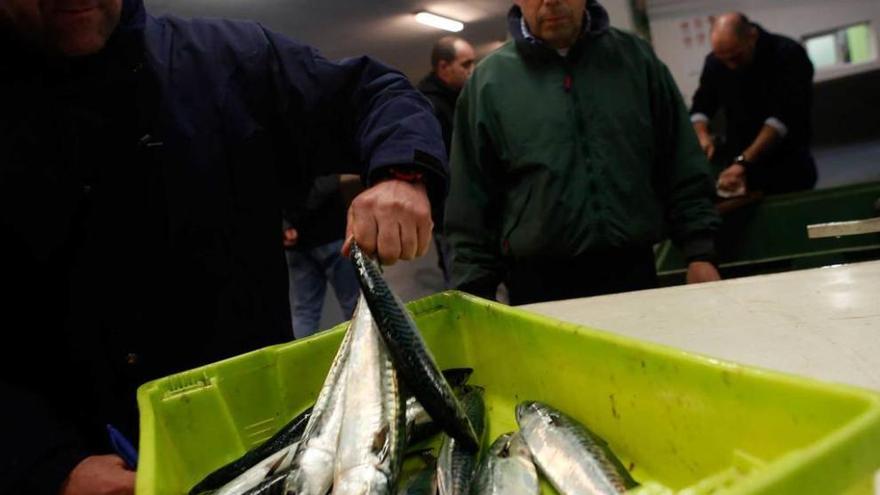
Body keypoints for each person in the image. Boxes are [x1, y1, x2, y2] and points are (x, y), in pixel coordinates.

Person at [0, 0, 446, 493]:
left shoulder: (226, 60)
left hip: (269, 442)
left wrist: (402, 174)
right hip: (81, 461)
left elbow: (372, 94)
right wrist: (47, 465)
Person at [445, 0, 721, 305]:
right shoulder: (489, 82)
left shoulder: (635, 60)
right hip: (538, 288)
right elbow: (470, 198)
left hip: (634, 275)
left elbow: (680, 160)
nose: (551, 1)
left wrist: (700, 252)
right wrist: (475, 291)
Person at [691, 12, 817, 196]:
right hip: (740, 171)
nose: (730, 66)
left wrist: (743, 161)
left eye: (735, 57)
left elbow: (782, 117)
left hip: (788, 165)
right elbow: (701, 105)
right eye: (722, 59)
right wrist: (702, 136)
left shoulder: (788, 54)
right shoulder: (716, 62)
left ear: (752, 36)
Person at [417, 36, 475, 286]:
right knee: (462, 279)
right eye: (466, 64)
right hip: (451, 214)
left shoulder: (461, 98)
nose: (471, 71)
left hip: (473, 206)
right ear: (443, 67)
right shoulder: (427, 106)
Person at [283, 175, 361, 339]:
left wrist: (288, 222)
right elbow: (328, 180)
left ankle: (301, 360)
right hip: (330, 232)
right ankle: (364, 357)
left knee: (305, 312)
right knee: (355, 306)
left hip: (297, 241)